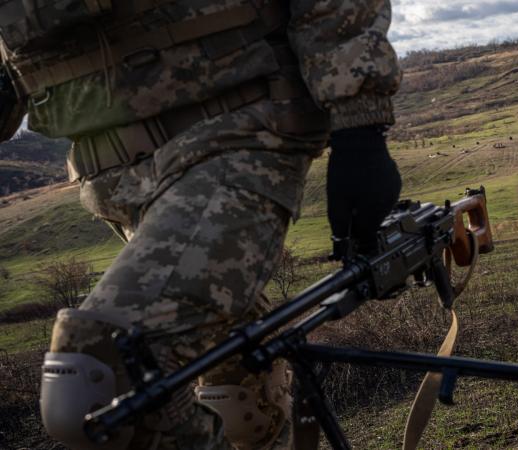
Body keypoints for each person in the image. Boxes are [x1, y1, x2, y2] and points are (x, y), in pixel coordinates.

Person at [1, 1, 401, 449]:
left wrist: (359, 123)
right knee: (238, 397)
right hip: (118, 181)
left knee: (102, 378)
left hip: (241, 133)